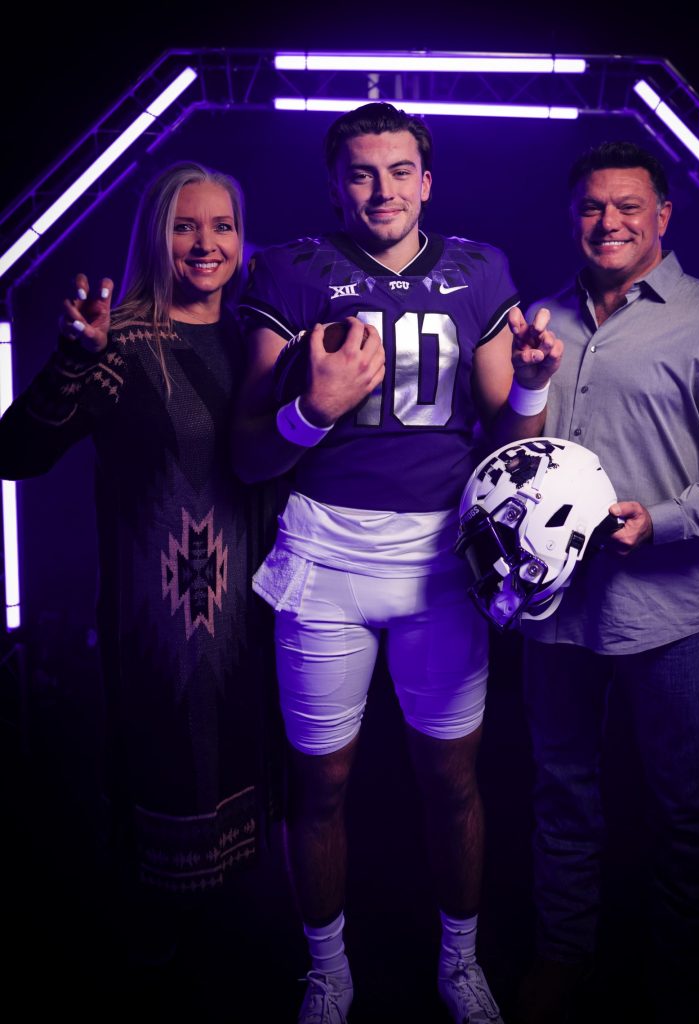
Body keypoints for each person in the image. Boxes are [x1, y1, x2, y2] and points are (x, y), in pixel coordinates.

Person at [232, 101, 562, 1024]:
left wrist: (532, 378)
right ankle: (327, 968)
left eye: (399, 170)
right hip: (327, 551)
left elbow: (508, 436)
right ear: (336, 182)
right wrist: (315, 409)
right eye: (362, 173)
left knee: (450, 777)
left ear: (428, 178)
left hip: (440, 560)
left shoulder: (477, 268)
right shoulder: (289, 272)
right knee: (321, 781)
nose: (382, 189)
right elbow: (251, 453)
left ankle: (460, 962)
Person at [515, 140, 699, 1023]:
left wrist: (662, 520)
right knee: (561, 794)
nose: (609, 223)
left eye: (629, 207)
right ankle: (564, 959)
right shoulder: (536, 323)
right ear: (572, 215)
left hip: (665, 610)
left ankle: (682, 984)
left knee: (682, 809)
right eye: (594, 206)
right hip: (550, 615)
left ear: (662, 217)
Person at [0, 161, 279, 966]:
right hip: (154, 630)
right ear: (155, 236)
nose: (205, 243)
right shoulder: (115, 337)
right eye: (184, 225)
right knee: (162, 837)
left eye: (222, 225)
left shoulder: (256, 337)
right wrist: (72, 361)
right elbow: (15, 453)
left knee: (250, 820)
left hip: (253, 622)